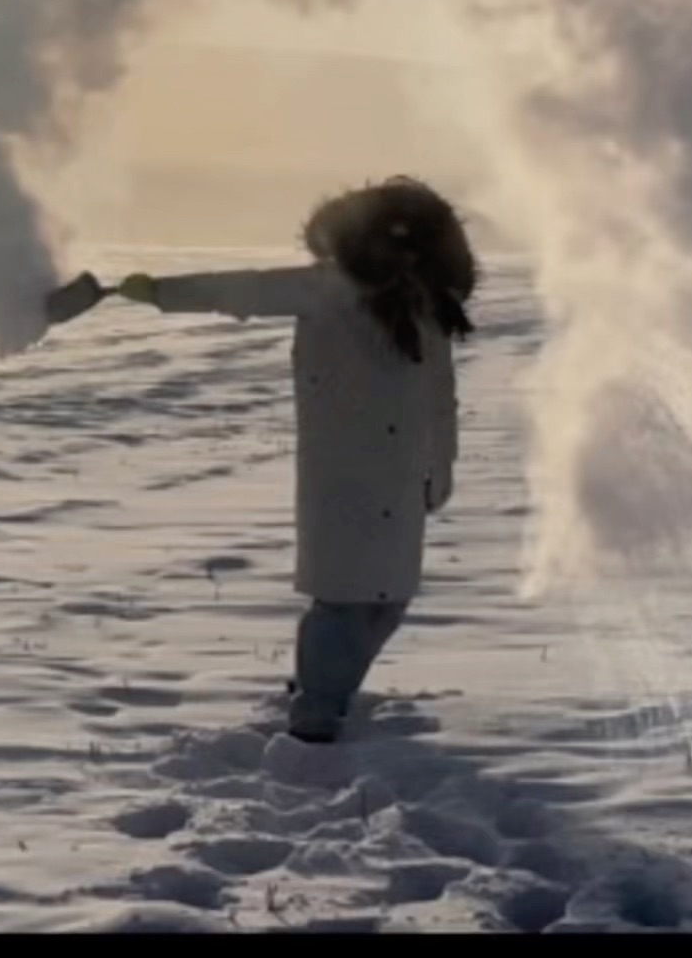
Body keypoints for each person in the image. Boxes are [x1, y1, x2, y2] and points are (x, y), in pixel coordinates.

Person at [71, 177, 476, 743]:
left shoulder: (427, 309)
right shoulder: (327, 289)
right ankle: (316, 712)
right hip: (342, 476)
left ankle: (324, 689)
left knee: (388, 600)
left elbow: (440, 398)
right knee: (342, 600)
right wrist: (161, 292)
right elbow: (242, 290)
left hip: (400, 479)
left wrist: (443, 466)